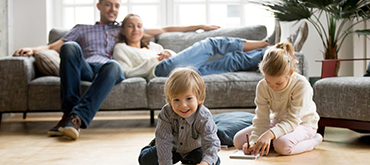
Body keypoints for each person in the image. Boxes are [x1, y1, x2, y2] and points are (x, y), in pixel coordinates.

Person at [12, 0, 221, 140]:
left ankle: (75, 119)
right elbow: (52, 47)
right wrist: (32, 49)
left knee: (112, 64)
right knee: (69, 46)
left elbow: (165, 30)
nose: (113, 9)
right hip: (87, 68)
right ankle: (68, 114)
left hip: (111, 71)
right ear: (99, 5)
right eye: (109, 4)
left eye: (117, 5)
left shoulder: (123, 27)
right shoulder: (82, 28)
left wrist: (199, 26)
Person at [113, 14, 288, 80]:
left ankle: (278, 51)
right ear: (122, 29)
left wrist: (169, 54)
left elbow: (176, 58)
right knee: (211, 43)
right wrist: (154, 60)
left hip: (181, 71)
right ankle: (266, 42)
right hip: (160, 71)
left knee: (232, 61)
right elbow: (125, 73)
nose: (135, 29)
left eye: (139, 25)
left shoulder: (153, 45)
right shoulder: (121, 48)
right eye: (130, 25)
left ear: (143, 29)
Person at [233, 41, 323, 156]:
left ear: (290, 73)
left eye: (278, 83)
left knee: (282, 146)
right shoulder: (262, 86)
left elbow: (293, 120)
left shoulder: (301, 85)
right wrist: (253, 142)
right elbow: (261, 119)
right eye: (268, 82)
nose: (273, 87)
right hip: (278, 122)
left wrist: (269, 134)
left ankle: (313, 140)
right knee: (238, 140)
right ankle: (268, 143)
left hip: (303, 124)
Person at [138, 67, 221, 165]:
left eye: (189, 98)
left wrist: (205, 163)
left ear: (199, 98)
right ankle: (153, 144)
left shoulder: (204, 116)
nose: (183, 105)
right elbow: (164, 142)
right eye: (176, 100)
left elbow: (212, 143)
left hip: (193, 148)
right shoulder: (166, 113)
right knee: (145, 160)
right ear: (170, 100)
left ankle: (188, 159)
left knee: (214, 161)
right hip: (171, 147)